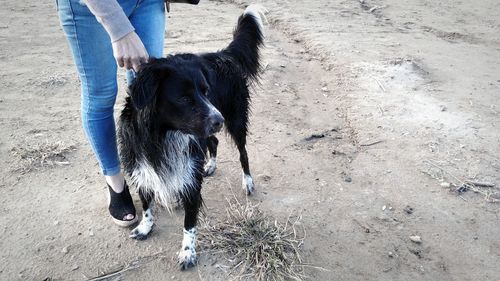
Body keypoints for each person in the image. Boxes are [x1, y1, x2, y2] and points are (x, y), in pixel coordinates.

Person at [57, 0, 166, 226]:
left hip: (147, 3)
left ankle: (147, 171)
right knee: (101, 94)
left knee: (148, 90)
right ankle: (115, 182)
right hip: (89, 7)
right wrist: (119, 29)